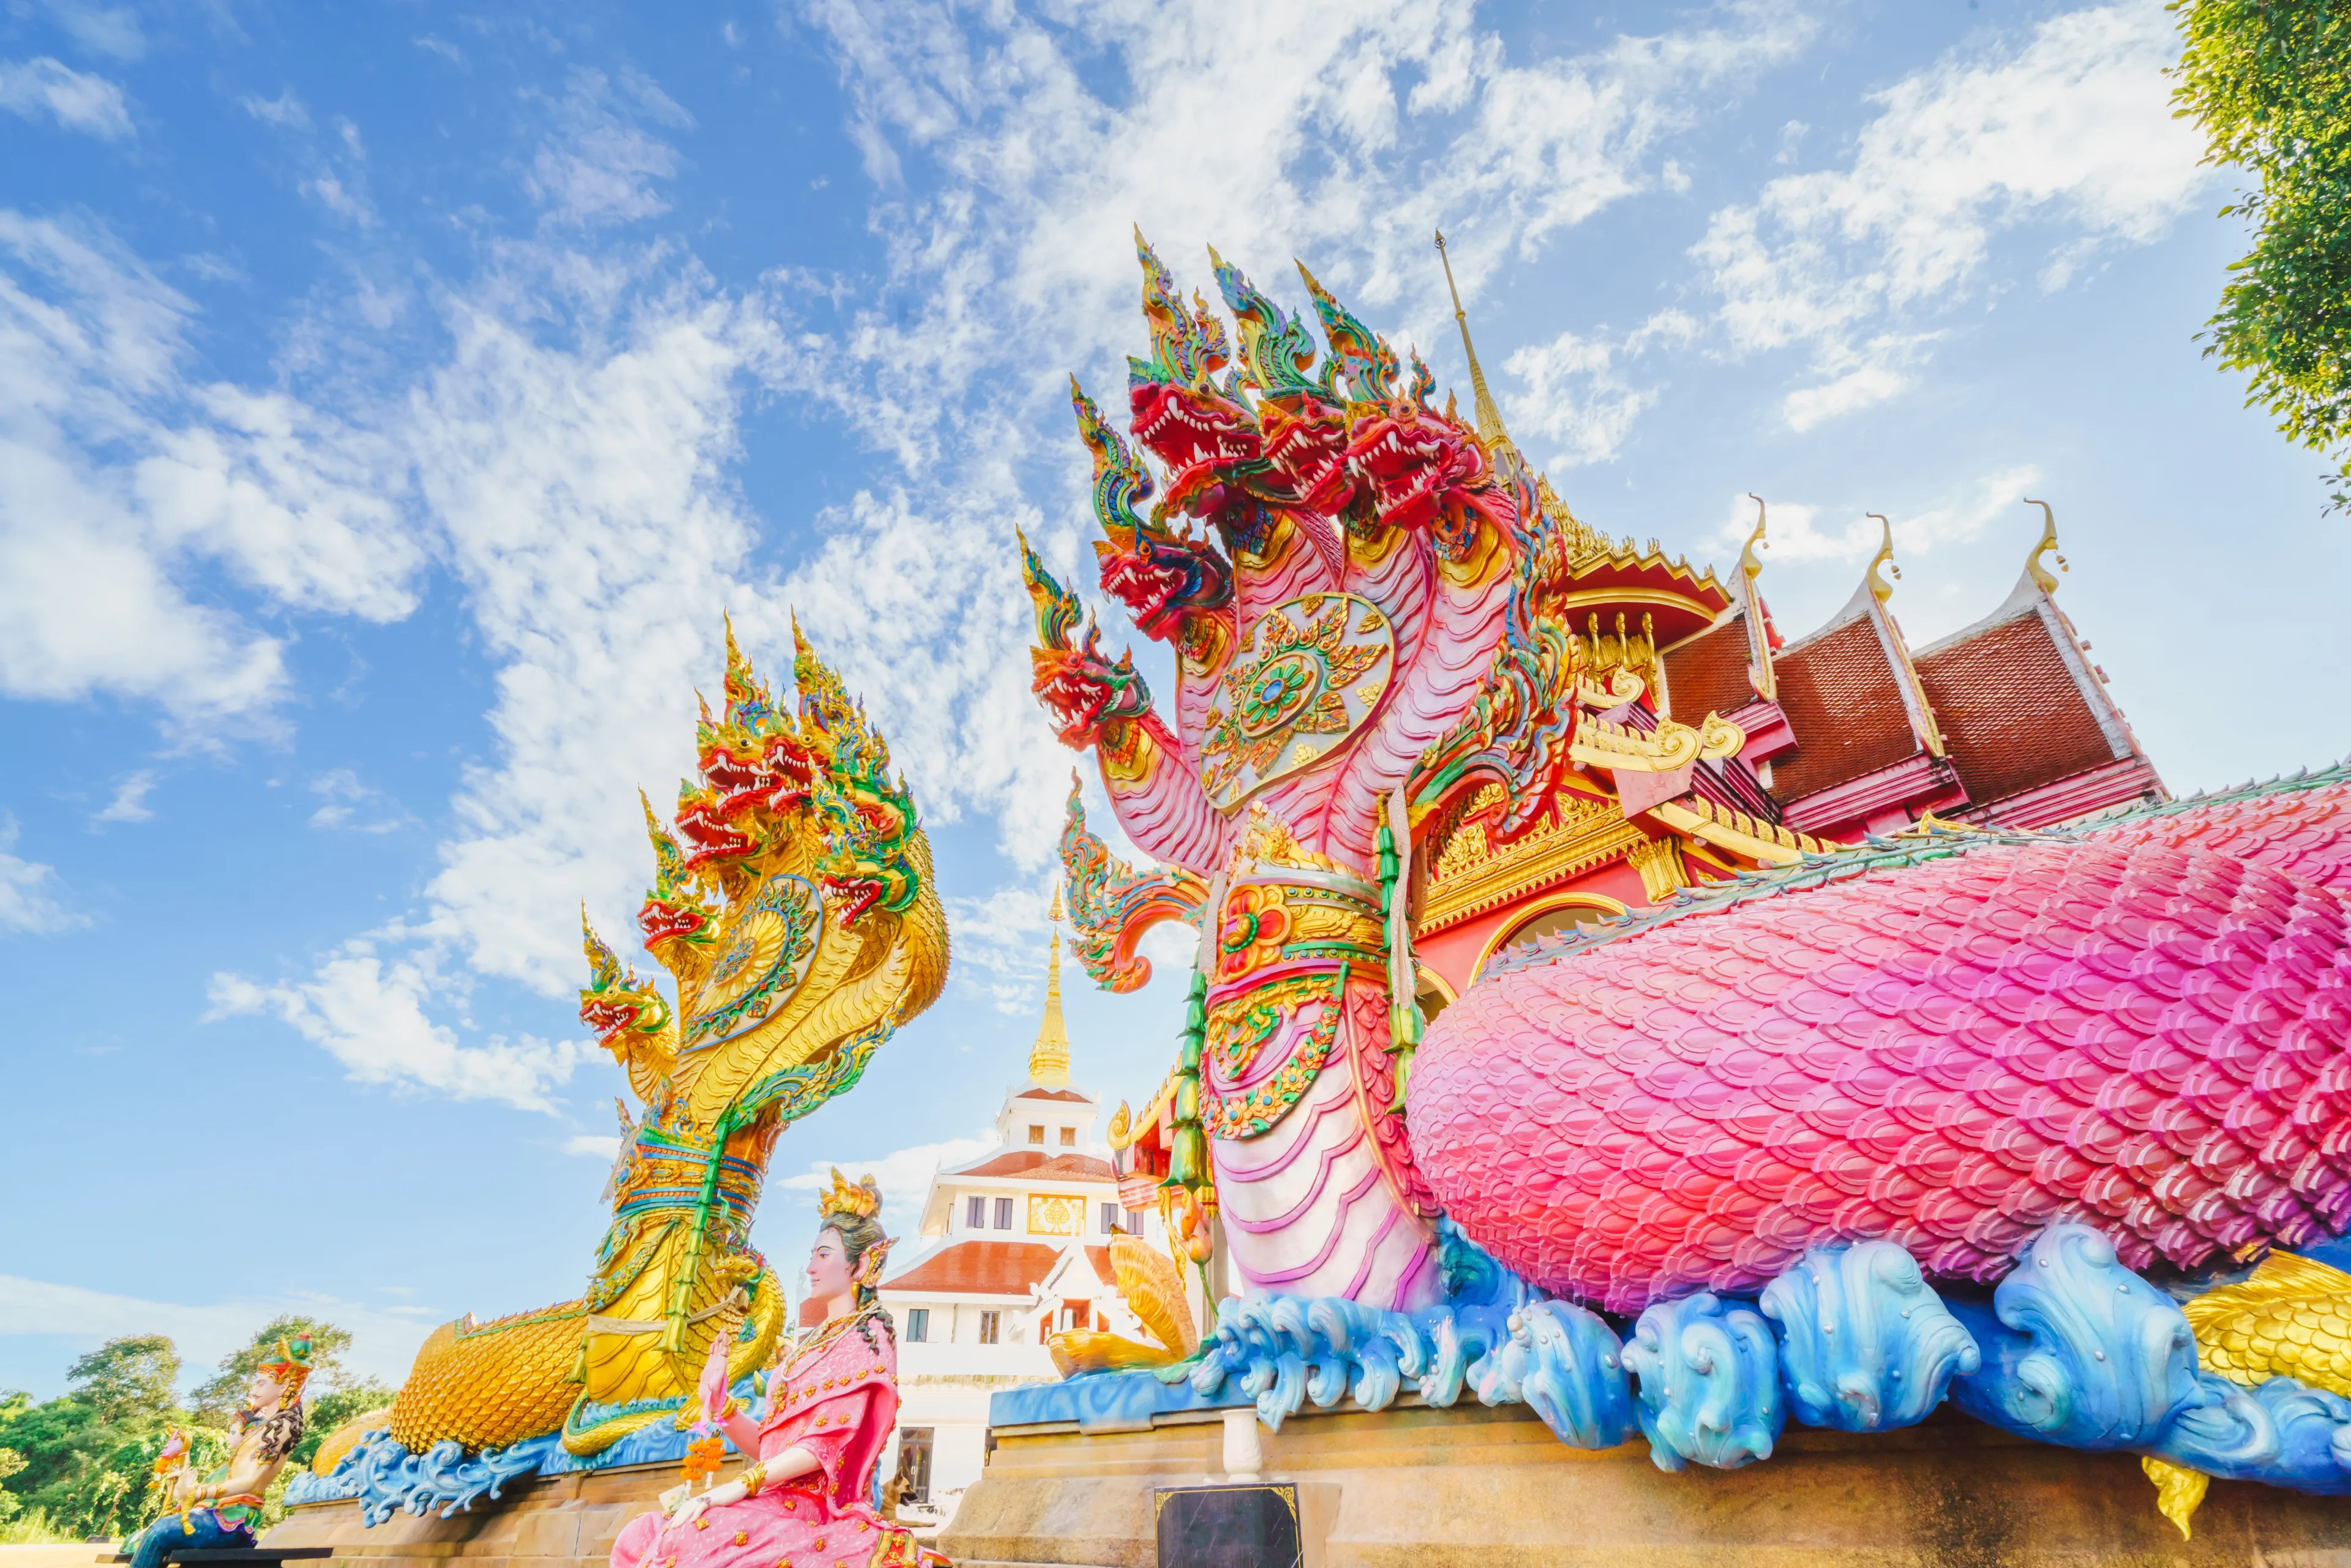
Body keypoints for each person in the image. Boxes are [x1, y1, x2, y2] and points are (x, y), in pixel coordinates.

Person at [610, 1171, 932, 1568]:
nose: (811, 1265)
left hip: (819, 1508)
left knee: (694, 1538)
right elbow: (769, 1448)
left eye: (824, 1253)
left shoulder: (869, 1335)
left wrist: (736, 1487)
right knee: (639, 1534)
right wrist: (720, 1402)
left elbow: (820, 1450)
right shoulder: (804, 1350)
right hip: (772, 1499)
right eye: (812, 1253)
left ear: (861, 1262)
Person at [128, 1335, 311, 1568]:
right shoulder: (266, 1425)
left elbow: (250, 1480)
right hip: (222, 1514)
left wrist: (198, 1493)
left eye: (261, 1383)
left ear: (284, 1385)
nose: (254, 1390)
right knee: (141, 1538)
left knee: (159, 1532)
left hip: (234, 1521)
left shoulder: (282, 1426)